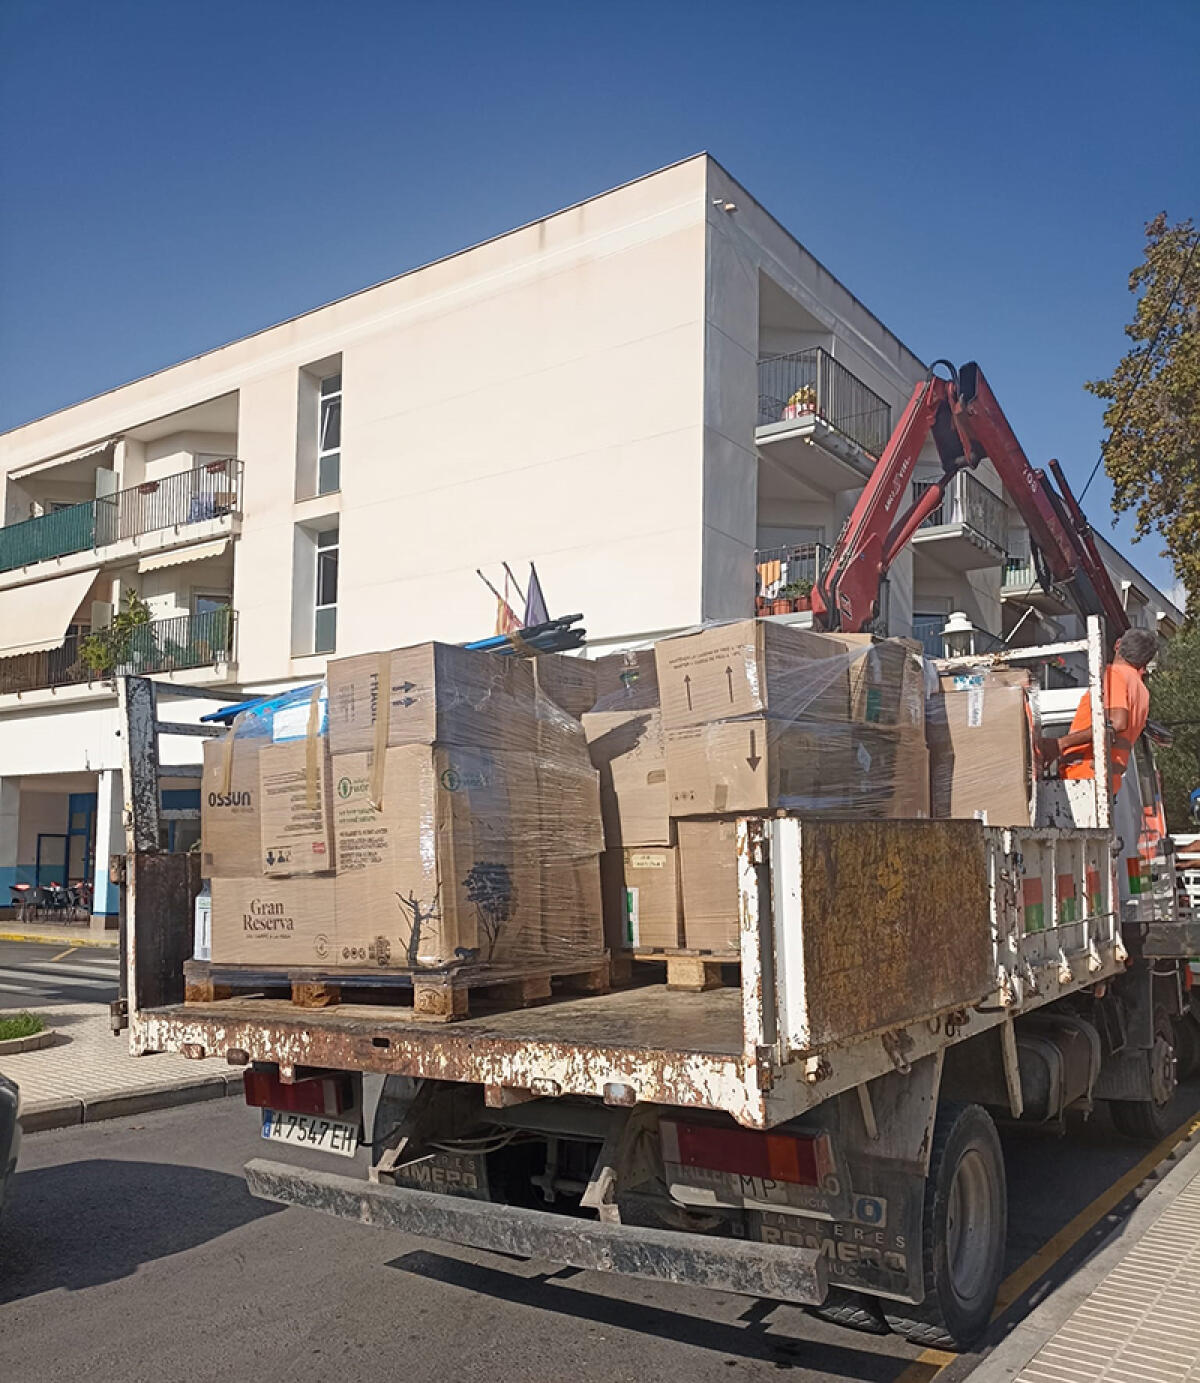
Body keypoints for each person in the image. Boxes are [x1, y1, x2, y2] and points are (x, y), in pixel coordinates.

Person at [1040, 627, 1157, 795]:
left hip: (1085, 775)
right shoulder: (1142, 691)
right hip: (1106, 780)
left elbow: (1117, 722)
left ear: (1118, 644)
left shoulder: (1115, 674)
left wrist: (1061, 744)